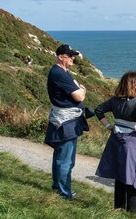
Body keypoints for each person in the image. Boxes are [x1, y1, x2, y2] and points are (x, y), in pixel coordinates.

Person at [94, 70, 136, 213]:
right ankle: (133, 211)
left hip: (116, 139)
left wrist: (108, 125)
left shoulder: (114, 100)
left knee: (119, 174)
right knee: (134, 175)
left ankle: (118, 208)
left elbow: (98, 110)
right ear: (134, 84)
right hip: (134, 141)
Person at [45, 44, 92, 200]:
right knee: (65, 160)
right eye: (69, 56)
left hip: (64, 120)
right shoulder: (60, 74)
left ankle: (58, 188)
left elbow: (77, 89)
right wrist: (82, 90)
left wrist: (79, 88)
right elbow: (79, 96)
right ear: (60, 57)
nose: (73, 58)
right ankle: (63, 193)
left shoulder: (60, 72)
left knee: (61, 157)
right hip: (66, 123)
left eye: (73, 56)